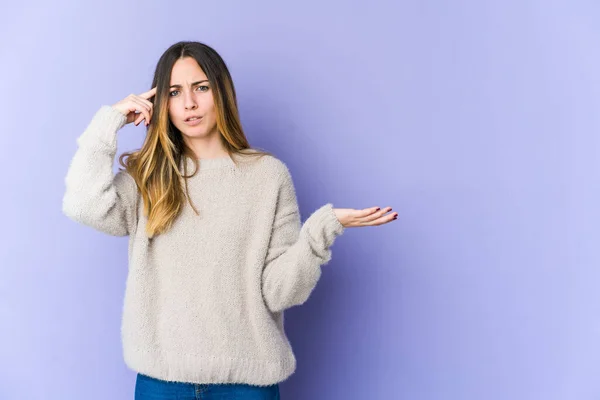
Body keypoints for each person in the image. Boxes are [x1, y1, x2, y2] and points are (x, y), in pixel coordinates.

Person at [62, 40, 397, 399]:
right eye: (174, 92)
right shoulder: (150, 176)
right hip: (161, 384)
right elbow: (84, 205)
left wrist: (320, 231)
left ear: (221, 92)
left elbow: (280, 291)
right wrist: (109, 122)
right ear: (161, 104)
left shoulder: (268, 177)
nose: (189, 103)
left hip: (246, 386)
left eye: (201, 88)